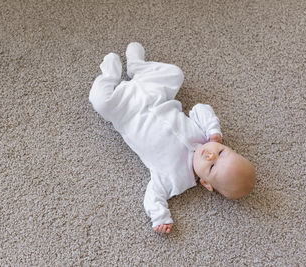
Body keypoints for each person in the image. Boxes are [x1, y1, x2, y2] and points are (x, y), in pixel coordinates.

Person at [89, 42, 256, 234]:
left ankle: (110, 75)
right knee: (175, 73)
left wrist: (160, 216)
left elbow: (153, 195)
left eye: (212, 166)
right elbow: (199, 108)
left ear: (206, 183)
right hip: (154, 94)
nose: (210, 155)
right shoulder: (206, 138)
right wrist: (213, 131)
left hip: (124, 112)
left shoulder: (175, 179)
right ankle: (137, 66)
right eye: (221, 152)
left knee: (100, 101)